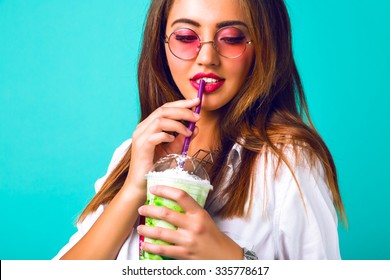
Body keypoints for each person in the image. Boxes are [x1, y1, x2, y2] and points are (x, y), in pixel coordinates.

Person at [54, 0, 346, 260]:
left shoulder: (288, 162)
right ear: (162, 45)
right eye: (185, 37)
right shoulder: (135, 152)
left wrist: (230, 259)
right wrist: (132, 189)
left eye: (231, 38)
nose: (207, 58)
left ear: (265, 46)